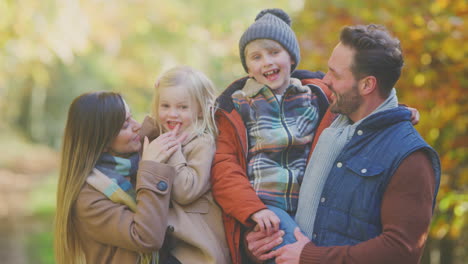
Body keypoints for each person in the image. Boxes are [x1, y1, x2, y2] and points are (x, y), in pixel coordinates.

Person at [245, 24, 441, 264]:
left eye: (335, 74)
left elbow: (401, 250)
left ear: (367, 85)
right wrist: (262, 247)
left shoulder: (411, 157)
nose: (325, 80)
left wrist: (310, 257)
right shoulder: (329, 122)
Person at [210, 8, 331, 264]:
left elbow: (359, 100)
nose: (266, 62)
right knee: (289, 250)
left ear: (291, 57)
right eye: (256, 56)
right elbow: (224, 167)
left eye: (274, 52)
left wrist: (396, 111)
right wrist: (253, 209)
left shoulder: (314, 94)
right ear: (247, 66)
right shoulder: (239, 105)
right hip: (267, 205)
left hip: (310, 202)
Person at [54, 91, 184, 264]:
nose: (136, 125)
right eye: (124, 125)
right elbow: (147, 238)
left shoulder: (134, 160)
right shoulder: (88, 199)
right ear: (102, 141)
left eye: (131, 117)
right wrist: (151, 169)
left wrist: (167, 91)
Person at [139, 66, 231, 264]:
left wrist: (174, 152)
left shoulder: (202, 143)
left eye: (182, 107)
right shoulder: (165, 135)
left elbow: (186, 191)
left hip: (196, 251)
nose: (173, 114)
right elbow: (141, 140)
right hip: (172, 244)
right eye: (165, 106)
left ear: (199, 110)